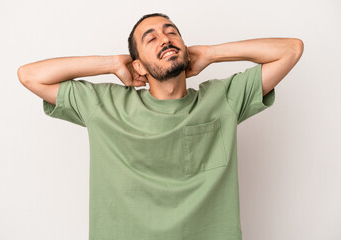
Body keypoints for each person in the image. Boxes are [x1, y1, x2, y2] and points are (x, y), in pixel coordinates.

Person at [18, 13, 303, 240]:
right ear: (139, 66)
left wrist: (212, 53)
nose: (165, 39)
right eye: (150, 38)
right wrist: (111, 63)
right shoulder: (104, 104)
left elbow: (291, 49)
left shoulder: (222, 98)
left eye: (171, 32)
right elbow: (30, 75)